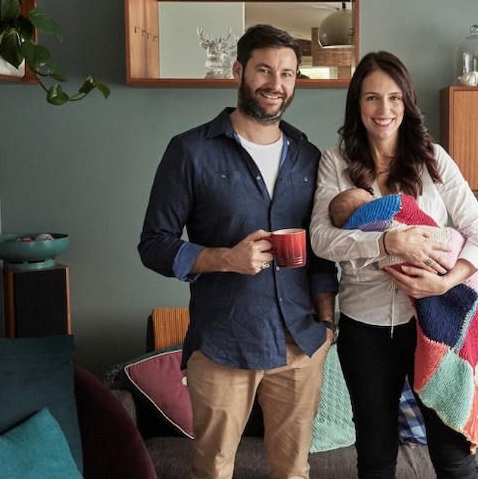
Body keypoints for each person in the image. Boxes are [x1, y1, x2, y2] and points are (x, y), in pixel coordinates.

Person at [138, 24, 338, 479]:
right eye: (265, 70)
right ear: (239, 71)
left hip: (301, 341)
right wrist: (224, 258)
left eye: (287, 74)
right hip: (224, 341)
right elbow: (154, 243)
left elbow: (322, 252)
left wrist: (327, 324)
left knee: (293, 471)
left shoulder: (309, 157)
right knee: (214, 470)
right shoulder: (190, 151)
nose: (276, 84)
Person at [310, 51, 478, 479]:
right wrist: (387, 241)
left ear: (407, 103)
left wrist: (445, 281)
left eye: (394, 98)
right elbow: (321, 239)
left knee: (452, 455)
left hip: (432, 326)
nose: (384, 110)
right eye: (373, 98)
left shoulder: (433, 159)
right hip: (365, 331)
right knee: (375, 457)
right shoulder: (335, 161)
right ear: (357, 104)